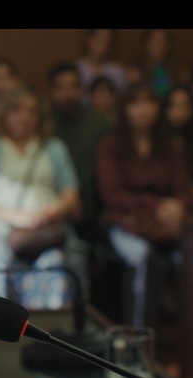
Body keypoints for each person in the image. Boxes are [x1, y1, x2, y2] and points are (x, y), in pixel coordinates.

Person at [0, 84, 82, 310]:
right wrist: (17, 217)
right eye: (16, 109)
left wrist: (51, 212)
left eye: (31, 111)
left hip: (43, 230)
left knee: (55, 263)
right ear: (4, 113)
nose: (24, 117)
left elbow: (71, 195)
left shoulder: (53, 147)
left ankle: (46, 324)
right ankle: (4, 318)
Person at [94, 81, 193, 328]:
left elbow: (184, 189)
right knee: (145, 259)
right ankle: (138, 336)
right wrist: (154, 205)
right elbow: (111, 194)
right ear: (124, 109)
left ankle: (189, 336)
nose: (143, 110)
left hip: (167, 222)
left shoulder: (169, 144)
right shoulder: (111, 144)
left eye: (149, 102)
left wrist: (178, 206)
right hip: (126, 221)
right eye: (135, 103)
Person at [46, 61, 113, 244]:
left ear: (81, 89)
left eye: (73, 87)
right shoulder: (43, 125)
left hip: (93, 203)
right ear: (52, 91)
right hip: (52, 201)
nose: (68, 93)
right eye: (61, 88)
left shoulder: (98, 124)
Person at [164, 84, 193, 212]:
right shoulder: (157, 141)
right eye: (174, 105)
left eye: (186, 106)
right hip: (165, 200)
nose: (180, 111)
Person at [125, 29, 190, 99]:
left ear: (169, 47)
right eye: (155, 42)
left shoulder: (179, 72)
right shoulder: (135, 72)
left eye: (164, 42)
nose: (160, 46)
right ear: (146, 44)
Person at [76, 29, 127, 108]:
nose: (103, 45)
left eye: (107, 41)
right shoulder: (76, 69)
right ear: (87, 39)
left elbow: (121, 100)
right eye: (99, 39)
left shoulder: (118, 71)